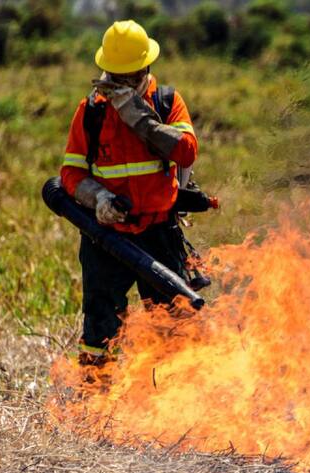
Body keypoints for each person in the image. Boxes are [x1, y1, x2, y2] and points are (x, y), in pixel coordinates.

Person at [59, 19, 199, 365]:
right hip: (106, 236)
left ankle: (176, 398)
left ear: (146, 68)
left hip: (159, 232)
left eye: (129, 78)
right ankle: (93, 401)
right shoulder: (90, 111)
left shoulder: (166, 102)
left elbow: (185, 151)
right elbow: (70, 173)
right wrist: (99, 199)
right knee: (100, 325)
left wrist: (138, 116)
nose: (121, 85)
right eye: (115, 77)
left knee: (172, 323)